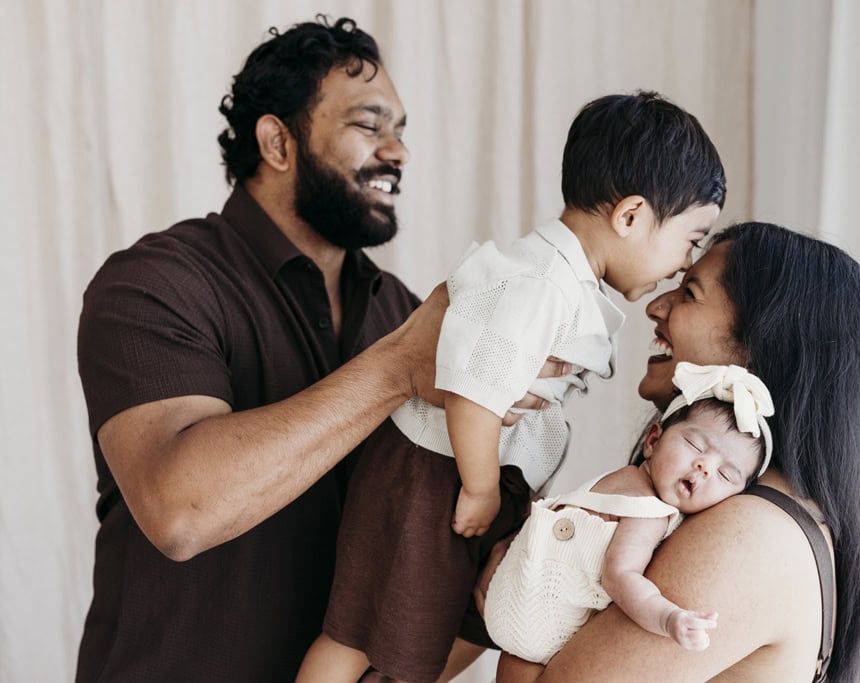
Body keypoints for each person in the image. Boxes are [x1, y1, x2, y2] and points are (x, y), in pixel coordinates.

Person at [73, 16, 538, 682]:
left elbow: (441, 567)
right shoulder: (155, 282)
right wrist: (398, 369)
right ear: (277, 142)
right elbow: (180, 510)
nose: (398, 152)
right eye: (370, 125)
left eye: (401, 130)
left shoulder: (402, 314)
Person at [297, 92, 726, 683]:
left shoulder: (566, 285)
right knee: (359, 629)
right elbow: (473, 390)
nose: (683, 265)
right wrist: (478, 489)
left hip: (468, 472)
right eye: (691, 240)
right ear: (629, 217)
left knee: (433, 626)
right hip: (436, 470)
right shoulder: (538, 284)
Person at [491, 222, 860, 682]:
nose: (656, 306)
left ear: (762, 344)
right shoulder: (748, 510)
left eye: (689, 293)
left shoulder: (750, 534)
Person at [484, 363, 775, 668]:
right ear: (652, 440)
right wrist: (667, 618)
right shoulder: (648, 511)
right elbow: (620, 577)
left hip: (505, 603)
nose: (705, 467)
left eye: (726, 475)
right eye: (695, 444)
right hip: (539, 630)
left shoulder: (622, 477)